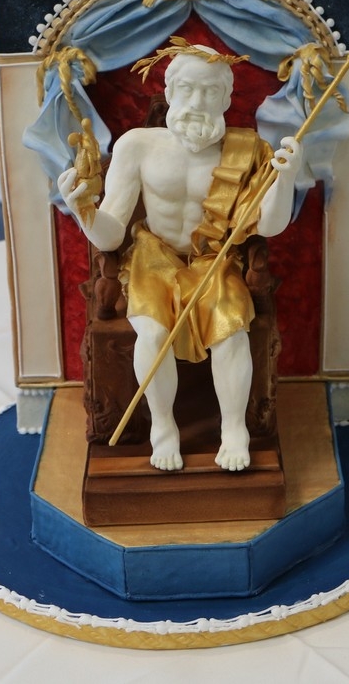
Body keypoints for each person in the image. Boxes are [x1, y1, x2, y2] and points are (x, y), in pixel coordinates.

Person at [58, 41, 302, 472]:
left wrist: (285, 180)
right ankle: (163, 427)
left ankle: (234, 430)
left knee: (232, 334)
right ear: (169, 92)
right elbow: (111, 235)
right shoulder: (137, 146)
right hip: (154, 258)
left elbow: (268, 226)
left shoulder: (248, 151)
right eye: (187, 89)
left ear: (226, 99)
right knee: (152, 336)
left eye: (210, 91)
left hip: (215, 259)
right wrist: (82, 210)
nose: (197, 101)